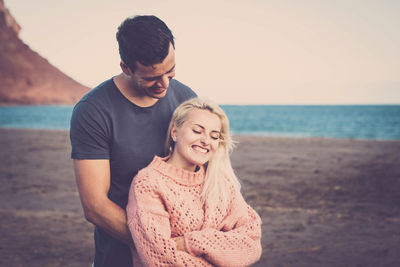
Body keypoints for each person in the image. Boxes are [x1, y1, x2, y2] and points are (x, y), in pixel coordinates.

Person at [70, 15, 196, 267]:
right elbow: (95, 205)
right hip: (120, 257)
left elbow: (206, 178)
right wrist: (162, 248)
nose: (164, 84)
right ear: (125, 67)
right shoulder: (93, 110)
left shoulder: (187, 99)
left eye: (170, 71)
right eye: (151, 78)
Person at [126, 98, 262, 266]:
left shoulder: (221, 182)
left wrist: (193, 242)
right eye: (197, 131)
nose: (206, 140)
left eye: (214, 136)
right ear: (175, 132)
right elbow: (160, 259)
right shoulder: (148, 183)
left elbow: (251, 244)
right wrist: (221, 251)